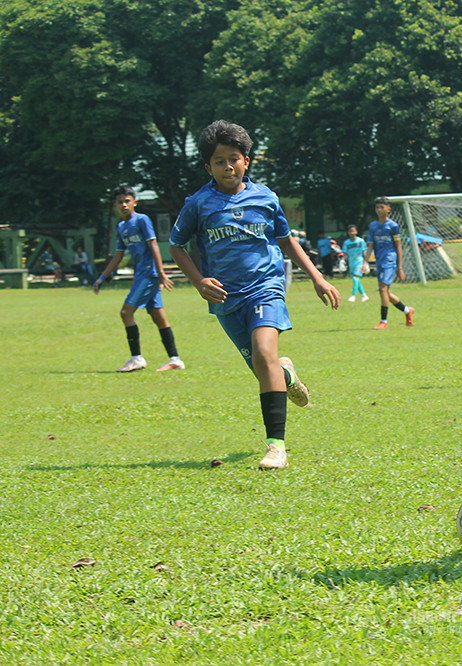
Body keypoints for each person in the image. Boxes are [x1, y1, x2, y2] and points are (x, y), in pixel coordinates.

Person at [169, 120, 340, 470]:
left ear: (247, 160)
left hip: (266, 286)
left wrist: (317, 278)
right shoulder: (198, 204)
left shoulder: (266, 197)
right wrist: (199, 281)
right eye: (219, 161)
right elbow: (176, 245)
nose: (228, 166)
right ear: (208, 167)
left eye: (234, 158)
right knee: (265, 368)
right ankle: (286, 374)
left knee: (264, 353)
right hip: (225, 298)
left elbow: (286, 239)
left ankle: (276, 447)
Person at [94, 185, 184, 373]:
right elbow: (118, 255)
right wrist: (103, 276)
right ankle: (175, 359)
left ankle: (136, 358)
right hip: (141, 275)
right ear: (115, 205)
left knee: (126, 313)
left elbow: (154, 245)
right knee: (159, 317)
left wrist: (160, 272)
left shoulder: (142, 220)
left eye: (127, 201)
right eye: (120, 202)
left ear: (135, 202)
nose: (124, 205)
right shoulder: (122, 226)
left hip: (149, 274)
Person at [364, 197, 414, 329]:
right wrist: (365, 262)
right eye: (377, 208)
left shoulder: (393, 226)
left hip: (389, 259)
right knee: (386, 292)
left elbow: (398, 246)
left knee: (382, 289)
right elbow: (370, 245)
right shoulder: (373, 226)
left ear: (388, 209)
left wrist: (400, 267)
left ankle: (383, 322)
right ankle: (407, 311)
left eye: (381, 207)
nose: (379, 210)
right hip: (379, 260)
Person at [343, 224, 369, 303]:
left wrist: (366, 263)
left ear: (356, 232)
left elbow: (364, 252)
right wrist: (342, 261)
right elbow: (345, 253)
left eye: (353, 231)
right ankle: (364, 295)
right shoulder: (346, 242)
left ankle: (353, 296)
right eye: (350, 231)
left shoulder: (360, 241)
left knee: (355, 278)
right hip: (351, 263)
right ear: (348, 232)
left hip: (359, 261)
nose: (352, 233)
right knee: (357, 280)